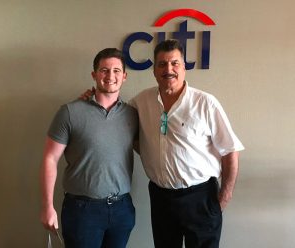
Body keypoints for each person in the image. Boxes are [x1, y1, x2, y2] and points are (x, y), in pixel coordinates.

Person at [82, 40, 244, 248]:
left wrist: (224, 196)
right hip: (161, 197)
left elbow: (230, 150)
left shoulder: (205, 103)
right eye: (162, 64)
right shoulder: (141, 102)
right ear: (154, 70)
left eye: (175, 63)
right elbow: (114, 119)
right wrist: (91, 101)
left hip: (201, 197)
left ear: (184, 67)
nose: (169, 69)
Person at [40, 48, 138, 248]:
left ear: (125, 76)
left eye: (117, 70)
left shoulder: (132, 115)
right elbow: (50, 159)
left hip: (121, 209)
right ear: (94, 75)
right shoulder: (70, 112)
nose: (111, 76)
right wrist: (47, 207)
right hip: (82, 211)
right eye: (104, 70)